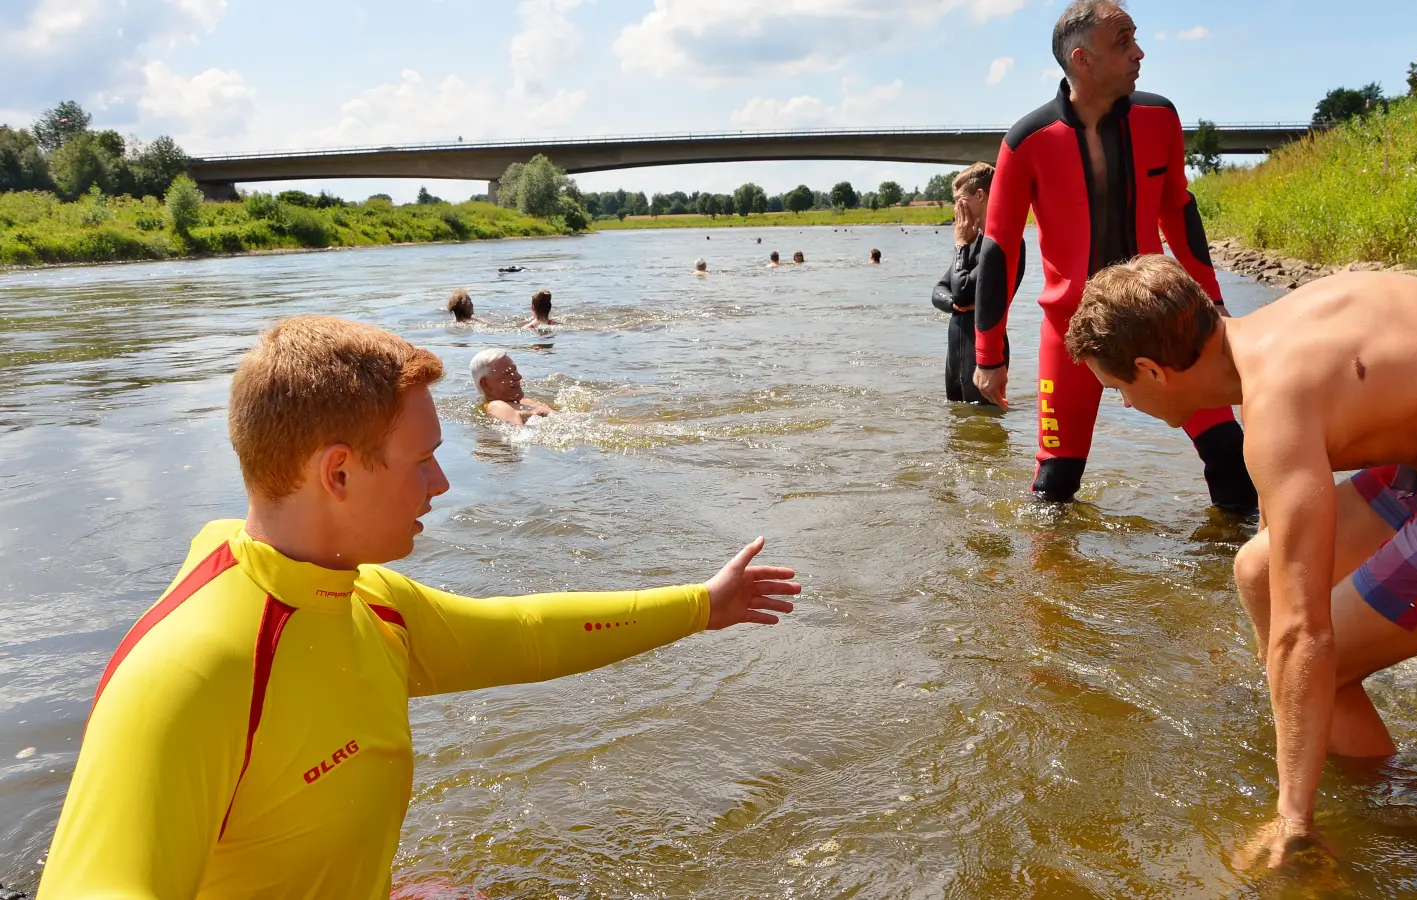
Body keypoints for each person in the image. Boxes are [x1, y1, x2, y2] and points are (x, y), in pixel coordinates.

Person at [38, 317, 800, 899]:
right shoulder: (193, 671)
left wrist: (703, 605)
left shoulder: (364, 599)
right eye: (421, 460)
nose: (439, 484)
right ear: (337, 473)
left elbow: (527, 633)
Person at [1064, 255, 1417, 869]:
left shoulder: (1276, 408)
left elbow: (1304, 630)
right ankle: (1336, 749)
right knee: (1258, 570)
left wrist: (1292, 810)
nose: (1127, 406)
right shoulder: (1268, 339)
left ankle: (1379, 812)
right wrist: (1277, 667)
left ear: (1151, 370)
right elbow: (1280, 550)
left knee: (1324, 663)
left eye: (1120, 391)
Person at [971, 0, 1255, 511]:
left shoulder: (1159, 117)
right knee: (1055, 485)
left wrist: (1212, 303)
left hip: (1166, 318)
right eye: (1122, 42)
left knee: (1229, 453)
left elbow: (1178, 212)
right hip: (1072, 329)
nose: (1139, 53)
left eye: (1135, 38)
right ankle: (1044, 586)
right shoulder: (1026, 142)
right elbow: (999, 249)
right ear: (1082, 59)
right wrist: (989, 355)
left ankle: (1239, 575)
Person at [933, 163, 1025, 406]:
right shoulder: (974, 241)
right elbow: (939, 292)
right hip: (956, 350)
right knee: (956, 426)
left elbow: (962, 292)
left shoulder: (1002, 241)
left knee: (985, 423)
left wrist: (960, 245)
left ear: (980, 195)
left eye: (959, 200)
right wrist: (955, 305)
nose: (955, 208)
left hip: (984, 349)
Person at [471, 348, 554, 423]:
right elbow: (520, 435)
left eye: (515, 370)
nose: (518, 377)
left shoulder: (526, 401)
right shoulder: (497, 406)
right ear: (485, 383)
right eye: (507, 373)